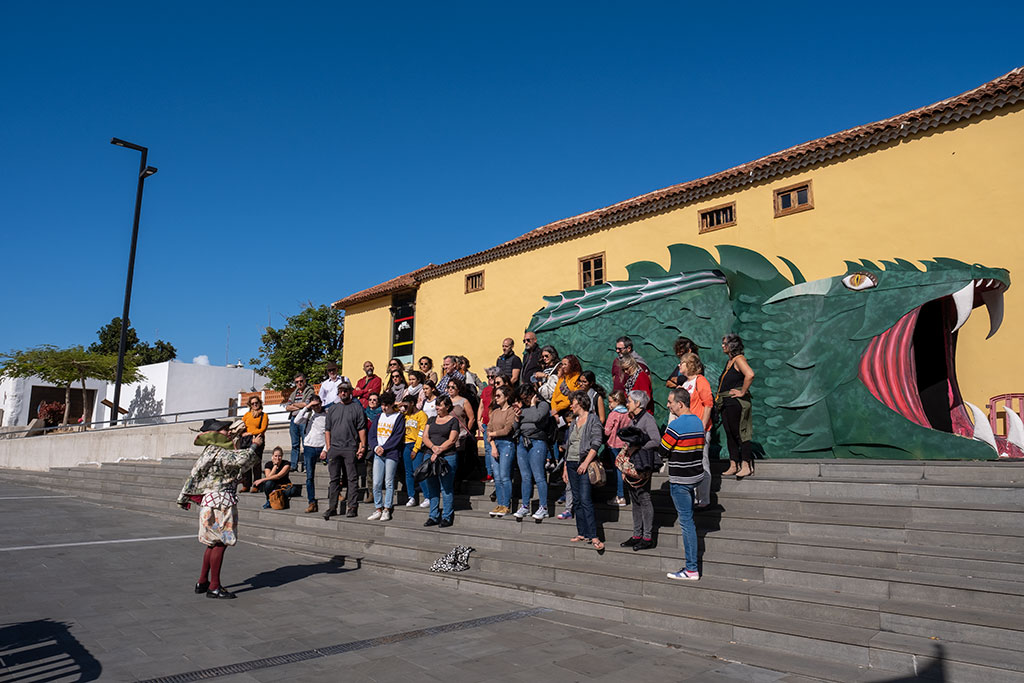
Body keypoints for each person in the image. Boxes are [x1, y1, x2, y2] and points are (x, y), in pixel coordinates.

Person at [177, 418, 264, 600]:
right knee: (221, 542)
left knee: (212, 543)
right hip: (221, 502)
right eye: (224, 430)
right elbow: (240, 460)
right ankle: (214, 586)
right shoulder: (219, 451)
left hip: (212, 500)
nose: (228, 431)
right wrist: (255, 446)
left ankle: (202, 581)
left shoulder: (210, 451)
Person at [663, 386, 706, 581]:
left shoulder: (676, 425)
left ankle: (691, 568)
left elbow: (663, 450)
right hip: (695, 476)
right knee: (689, 521)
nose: (668, 405)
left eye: (670, 402)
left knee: (687, 523)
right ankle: (691, 567)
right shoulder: (698, 421)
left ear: (680, 404)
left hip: (680, 479)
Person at [619, 390, 661, 551]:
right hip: (633, 464)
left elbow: (656, 440)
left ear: (638, 403)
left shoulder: (647, 419)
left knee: (644, 498)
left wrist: (638, 447)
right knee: (635, 499)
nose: (627, 403)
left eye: (629, 401)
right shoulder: (634, 420)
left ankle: (647, 537)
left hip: (643, 464)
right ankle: (637, 534)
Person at [562, 392, 604, 550]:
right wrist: (565, 466)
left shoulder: (593, 420)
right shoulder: (574, 421)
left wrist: (586, 463)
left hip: (584, 462)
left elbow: (596, 443)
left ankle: (593, 535)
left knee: (585, 499)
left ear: (580, 403)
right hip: (571, 462)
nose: (571, 406)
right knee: (577, 499)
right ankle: (582, 532)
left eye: (573, 403)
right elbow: (569, 444)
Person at [322, 380, 368, 520]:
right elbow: (327, 429)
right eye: (341, 390)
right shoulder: (333, 409)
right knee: (334, 480)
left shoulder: (357, 408)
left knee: (352, 479)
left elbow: (362, 429)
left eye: (346, 390)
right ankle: (332, 507)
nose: (343, 393)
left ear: (350, 392)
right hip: (334, 449)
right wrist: (328, 447)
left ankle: (352, 507)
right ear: (338, 392)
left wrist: (362, 446)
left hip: (350, 448)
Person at [679, 352, 714, 507]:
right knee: (689, 465)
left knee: (702, 463)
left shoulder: (701, 381)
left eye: (682, 363)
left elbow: (708, 404)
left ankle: (703, 500)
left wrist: (702, 427)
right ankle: (692, 498)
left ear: (690, 365)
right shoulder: (685, 383)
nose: (679, 365)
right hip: (686, 431)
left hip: (699, 429)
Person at [513, 383, 552, 521]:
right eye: (523, 398)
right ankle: (525, 505)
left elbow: (536, 418)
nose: (525, 400)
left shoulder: (543, 405)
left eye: (527, 397)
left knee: (539, 475)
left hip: (537, 442)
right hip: (523, 442)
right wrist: (518, 418)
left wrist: (531, 407)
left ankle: (544, 507)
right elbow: (516, 425)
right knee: (525, 476)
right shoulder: (523, 407)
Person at [718, 334, 756, 478]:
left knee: (740, 432)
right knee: (729, 433)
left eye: (725, 343)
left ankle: (746, 464)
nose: (722, 346)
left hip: (735, 402)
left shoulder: (739, 359)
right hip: (726, 402)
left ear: (732, 345)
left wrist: (742, 392)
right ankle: (734, 464)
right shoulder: (730, 361)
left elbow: (750, 374)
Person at [422, 395, 460, 527]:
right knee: (432, 486)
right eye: (436, 405)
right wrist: (433, 448)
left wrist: (439, 450)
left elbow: (452, 439)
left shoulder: (453, 421)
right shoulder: (431, 419)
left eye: (440, 405)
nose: (437, 407)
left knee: (446, 487)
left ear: (447, 407)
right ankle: (433, 515)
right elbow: (425, 437)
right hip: (429, 455)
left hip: (447, 456)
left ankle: (447, 516)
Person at [367, 391, 405, 521]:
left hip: (391, 454)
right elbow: (371, 435)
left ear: (392, 404)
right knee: (376, 483)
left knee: (389, 482)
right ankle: (378, 508)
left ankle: (387, 508)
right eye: (382, 404)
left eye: (387, 405)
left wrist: (385, 447)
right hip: (378, 453)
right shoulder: (379, 417)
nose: (384, 407)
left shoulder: (398, 417)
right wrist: (376, 447)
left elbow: (397, 437)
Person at [486, 385, 516, 517]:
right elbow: (488, 430)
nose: (496, 398)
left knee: (504, 476)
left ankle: (506, 504)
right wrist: (492, 445)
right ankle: (500, 503)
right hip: (495, 445)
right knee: (497, 477)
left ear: (506, 397)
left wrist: (493, 433)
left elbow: (507, 429)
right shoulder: (495, 412)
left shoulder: (510, 411)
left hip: (506, 444)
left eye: (499, 396)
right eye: (495, 396)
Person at [294, 394, 327, 513]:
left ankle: (336, 493)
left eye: (317, 404)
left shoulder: (326, 415)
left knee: (334, 472)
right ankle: (311, 502)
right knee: (309, 476)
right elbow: (297, 420)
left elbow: (330, 433)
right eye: (314, 405)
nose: (316, 407)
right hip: (309, 447)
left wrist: (325, 449)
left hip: (322, 446)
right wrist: (307, 407)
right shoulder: (308, 414)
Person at [399, 394, 430, 508]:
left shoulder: (422, 415)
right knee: (408, 473)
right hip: (405, 444)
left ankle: (427, 496)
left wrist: (416, 449)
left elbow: (422, 433)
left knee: (418, 471)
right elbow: (394, 408)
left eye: (406, 405)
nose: (404, 408)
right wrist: (401, 406)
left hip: (417, 445)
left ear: (412, 403)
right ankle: (411, 496)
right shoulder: (405, 415)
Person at [603, 390, 631, 507]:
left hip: (614, 444)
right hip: (625, 445)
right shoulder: (628, 413)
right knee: (624, 469)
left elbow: (607, 431)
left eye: (610, 402)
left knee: (618, 470)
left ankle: (620, 496)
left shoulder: (613, 414)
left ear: (617, 401)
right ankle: (626, 493)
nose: (609, 405)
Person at [283, 374, 314, 471]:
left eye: (301, 381)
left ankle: (306, 466)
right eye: (297, 382)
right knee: (294, 444)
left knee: (306, 443)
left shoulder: (310, 391)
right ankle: (293, 465)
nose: (299, 383)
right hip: (293, 419)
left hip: (304, 419)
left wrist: (294, 404)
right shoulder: (293, 393)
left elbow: (307, 404)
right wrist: (300, 405)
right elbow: (287, 407)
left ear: (305, 381)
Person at [239, 396, 269, 491]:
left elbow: (263, 429)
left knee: (256, 463)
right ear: (250, 405)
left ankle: (256, 485)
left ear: (260, 403)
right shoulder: (247, 415)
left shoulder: (264, 416)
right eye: (252, 403)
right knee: (245, 462)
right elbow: (241, 425)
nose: (255, 405)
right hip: (246, 440)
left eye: (256, 403)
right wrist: (243, 433)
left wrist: (250, 433)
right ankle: (246, 485)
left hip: (258, 439)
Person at [478, 368, 500, 483]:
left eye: (492, 376)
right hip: (486, 423)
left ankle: (497, 472)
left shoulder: (500, 391)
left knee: (496, 447)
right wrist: (478, 420)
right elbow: (481, 406)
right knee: (487, 449)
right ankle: (489, 473)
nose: (490, 379)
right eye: (488, 377)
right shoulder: (486, 390)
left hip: (497, 423)